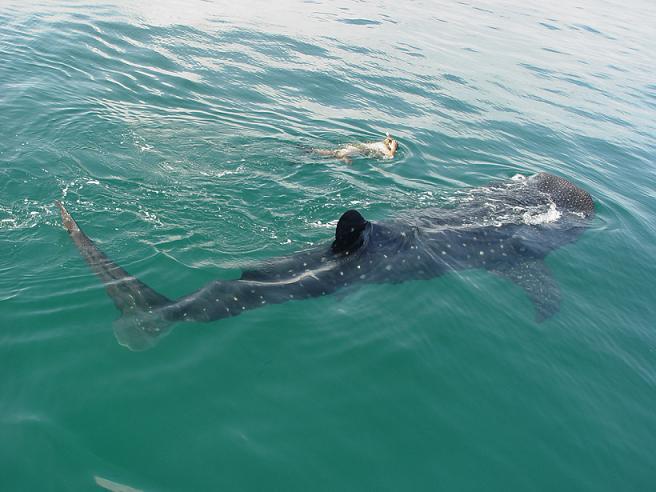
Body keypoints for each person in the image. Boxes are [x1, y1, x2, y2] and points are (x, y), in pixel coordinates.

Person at [314, 133, 398, 163]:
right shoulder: (381, 145)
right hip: (357, 150)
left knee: (333, 152)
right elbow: (391, 156)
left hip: (355, 148)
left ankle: (311, 151)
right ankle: (343, 158)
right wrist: (393, 148)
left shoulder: (378, 144)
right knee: (335, 154)